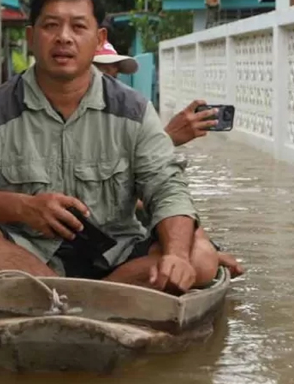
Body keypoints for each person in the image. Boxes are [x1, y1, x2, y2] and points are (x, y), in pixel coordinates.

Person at [0, 0, 220, 294]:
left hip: (117, 256)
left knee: (201, 259)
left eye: (78, 27)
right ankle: (76, 296)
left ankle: (73, 297)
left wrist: (176, 255)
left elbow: (167, 187)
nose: (64, 37)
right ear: (31, 37)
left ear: (99, 39)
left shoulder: (134, 110)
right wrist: (24, 207)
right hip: (22, 256)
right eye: (51, 25)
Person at [90, 41, 245, 278]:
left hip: (123, 229)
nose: (107, 84)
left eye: (114, 76)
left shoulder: (129, 115)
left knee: (190, 237)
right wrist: (168, 137)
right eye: (100, 73)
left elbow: (162, 185)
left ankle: (206, 250)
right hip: (89, 235)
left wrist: (164, 139)